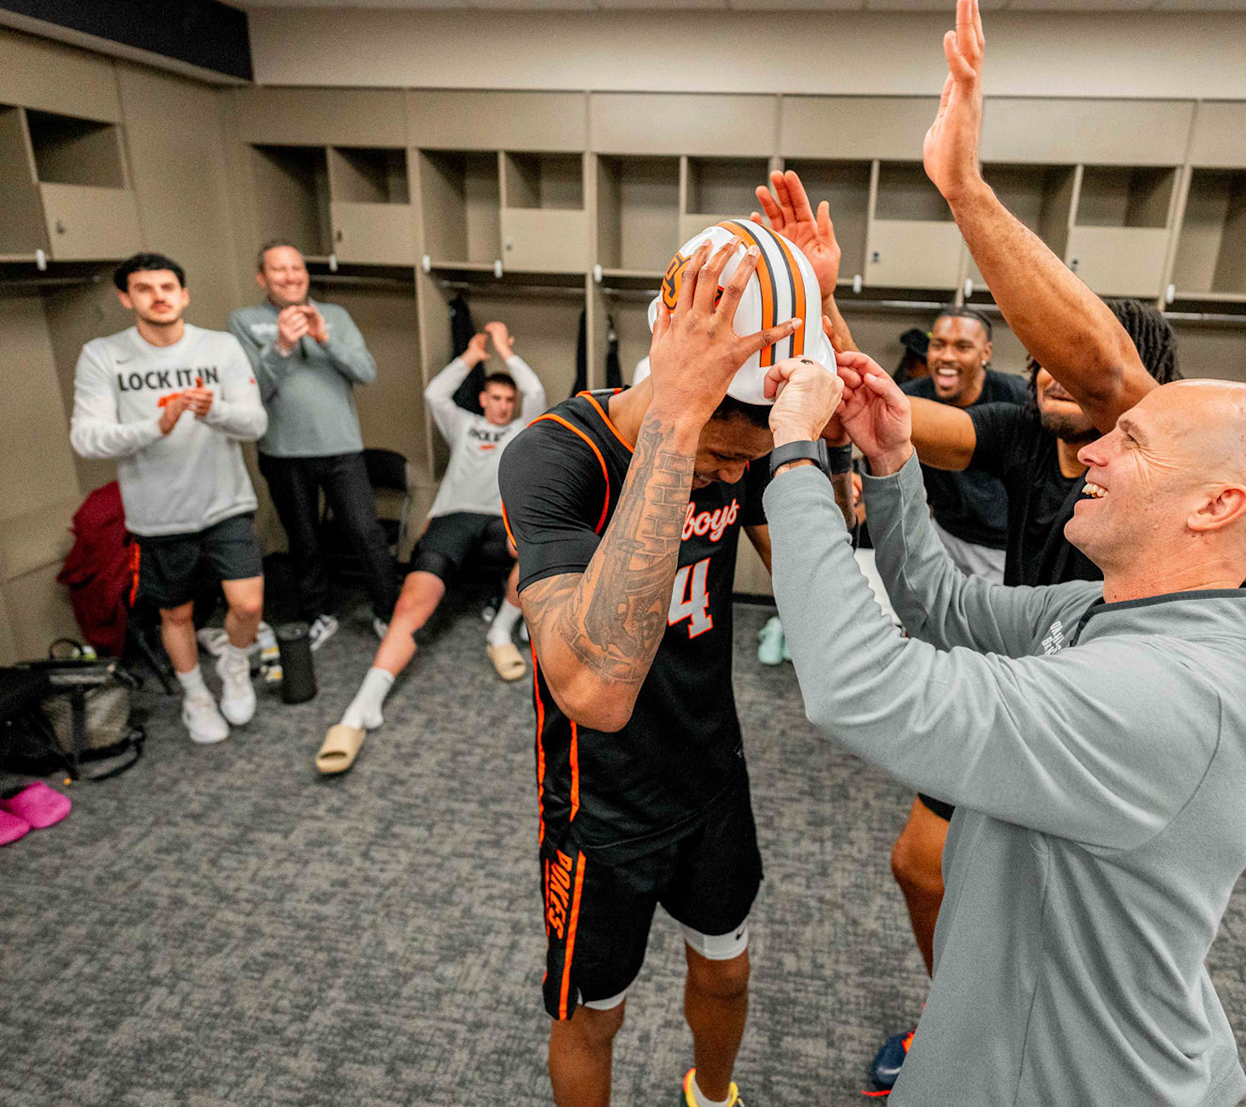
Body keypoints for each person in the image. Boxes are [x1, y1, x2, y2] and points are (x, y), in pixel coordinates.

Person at [756, 0, 1246, 1102]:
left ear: (1213, 507)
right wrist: (889, 464)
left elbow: (862, 687)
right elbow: (945, 610)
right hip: (1010, 1041)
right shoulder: (1117, 617)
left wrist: (793, 458)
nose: (1095, 451)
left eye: (1130, 441)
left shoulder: (1162, 696)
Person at [499, 222, 834, 1107]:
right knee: (592, 1018)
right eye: (721, 452)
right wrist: (677, 430)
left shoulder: (742, 452)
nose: (729, 476)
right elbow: (594, 691)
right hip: (601, 803)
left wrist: (820, 330)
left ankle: (711, 1097)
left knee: (726, 973)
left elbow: (820, 580)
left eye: (744, 462)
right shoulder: (556, 456)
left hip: (710, 772)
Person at [870, 296, 1179, 1091]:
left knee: (1057, 915)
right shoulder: (1026, 434)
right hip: (1020, 678)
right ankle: (955, 1014)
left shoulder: (1163, 466)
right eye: (1043, 358)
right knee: (922, 865)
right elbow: (895, 411)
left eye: (1078, 359)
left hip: (1107, 716)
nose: (1051, 373)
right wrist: (825, 314)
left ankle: (1037, 1046)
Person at [314, 321, 546, 774]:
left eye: (509, 399)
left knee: (537, 551)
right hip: (452, 519)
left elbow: (536, 391)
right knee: (412, 605)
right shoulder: (464, 425)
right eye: (496, 398)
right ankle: (363, 705)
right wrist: (472, 357)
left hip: (497, 520)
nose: (503, 405)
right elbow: (435, 394)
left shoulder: (524, 428)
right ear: (483, 400)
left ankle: (500, 632)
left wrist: (504, 349)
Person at [71, 252, 268, 746]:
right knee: (176, 615)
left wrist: (215, 410)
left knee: (248, 605)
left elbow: (255, 423)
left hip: (225, 503)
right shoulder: (103, 355)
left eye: (167, 287)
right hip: (157, 516)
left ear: (184, 295)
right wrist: (153, 427)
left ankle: (235, 665)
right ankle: (196, 696)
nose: (158, 297)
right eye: (144, 289)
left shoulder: (220, 347)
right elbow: (87, 439)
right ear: (126, 298)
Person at [229, 241, 398, 650]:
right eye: (279, 269)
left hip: (341, 447)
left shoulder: (335, 315)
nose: (290, 276)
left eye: (297, 268)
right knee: (303, 539)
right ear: (262, 278)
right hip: (283, 452)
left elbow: (365, 371)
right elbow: (250, 390)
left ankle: (390, 613)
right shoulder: (244, 321)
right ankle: (318, 613)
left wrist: (325, 339)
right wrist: (282, 347)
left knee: (366, 533)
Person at [896, 307, 1026, 583]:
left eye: (962, 347)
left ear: (985, 353)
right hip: (944, 534)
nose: (947, 356)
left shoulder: (1017, 397)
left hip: (1001, 547)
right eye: (938, 345)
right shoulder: (911, 399)